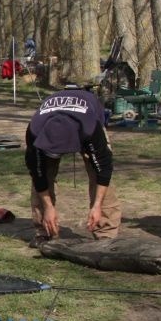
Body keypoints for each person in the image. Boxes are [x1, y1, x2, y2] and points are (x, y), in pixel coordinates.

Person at [24, 85, 121, 247]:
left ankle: (106, 232)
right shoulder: (35, 131)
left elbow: (103, 170)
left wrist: (97, 206)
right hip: (50, 123)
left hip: (87, 117)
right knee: (42, 175)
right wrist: (48, 207)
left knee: (98, 175)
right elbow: (37, 173)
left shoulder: (91, 129)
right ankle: (44, 230)